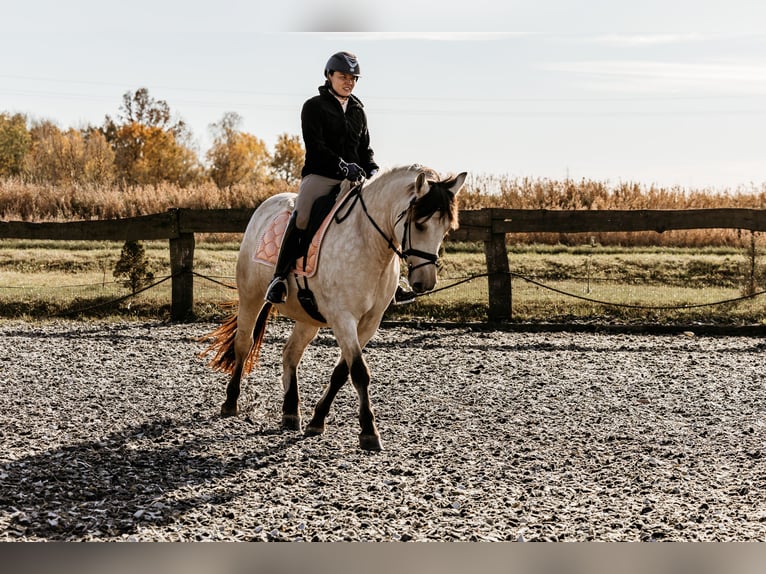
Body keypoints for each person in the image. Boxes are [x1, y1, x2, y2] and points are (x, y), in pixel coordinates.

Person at [265, 50, 417, 305]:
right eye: (343, 76)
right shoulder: (313, 106)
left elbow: (365, 149)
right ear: (329, 76)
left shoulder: (358, 110)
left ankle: (392, 284)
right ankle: (278, 278)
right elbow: (316, 147)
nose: (349, 82)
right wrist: (342, 166)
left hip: (355, 179)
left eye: (354, 78)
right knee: (302, 214)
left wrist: (371, 169)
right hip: (321, 176)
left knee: (382, 220)